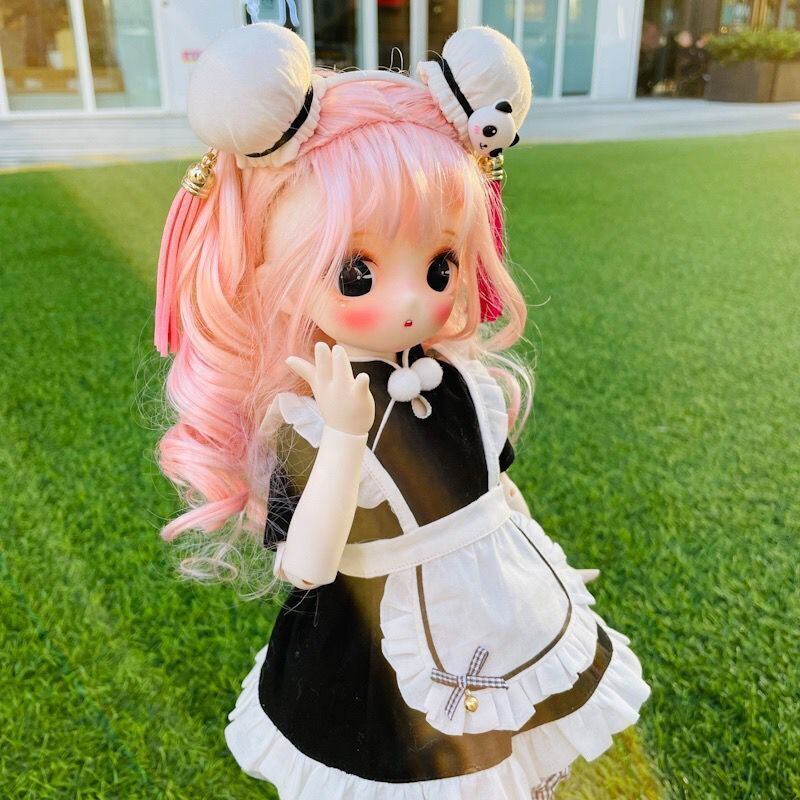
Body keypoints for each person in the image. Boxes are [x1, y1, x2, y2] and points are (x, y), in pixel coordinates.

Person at [152, 22, 651, 799]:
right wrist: (346, 438)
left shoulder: (461, 382)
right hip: (376, 646)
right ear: (288, 271)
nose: (413, 299)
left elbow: (494, 489)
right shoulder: (314, 419)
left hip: (496, 601)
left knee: (514, 752)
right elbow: (306, 566)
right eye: (358, 274)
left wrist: (533, 560)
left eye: (441, 264)